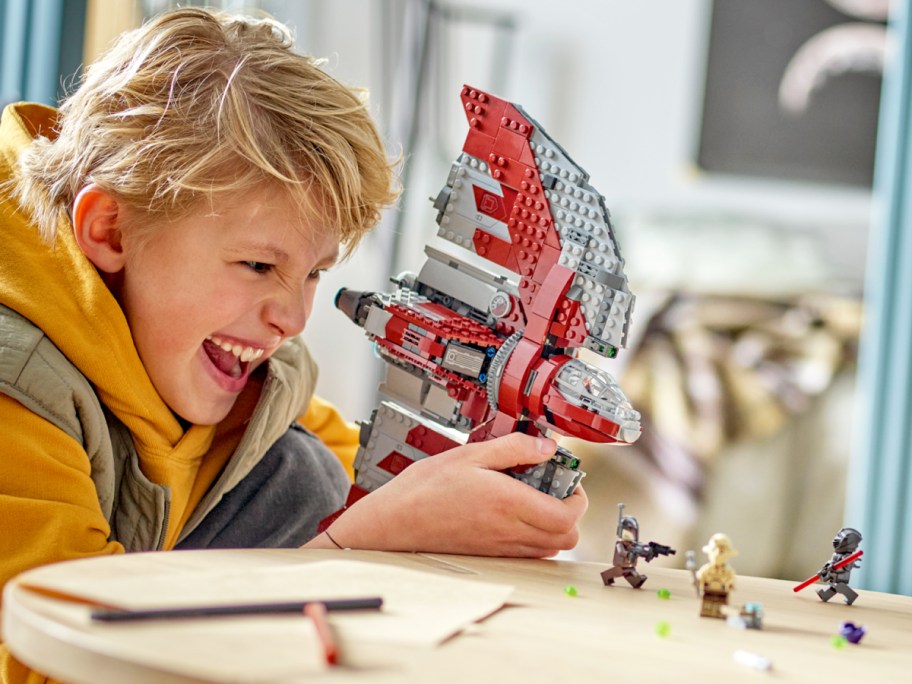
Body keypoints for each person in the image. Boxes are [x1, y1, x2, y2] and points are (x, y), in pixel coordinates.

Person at [0, 7, 587, 682]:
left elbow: (371, 494)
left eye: (313, 273)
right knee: (301, 484)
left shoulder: (247, 369)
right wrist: (350, 548)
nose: (293, 316)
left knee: (304, 472)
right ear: (111, 231)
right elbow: (52, 662)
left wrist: (471, 504)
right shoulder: (15, 384)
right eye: (257, 265)